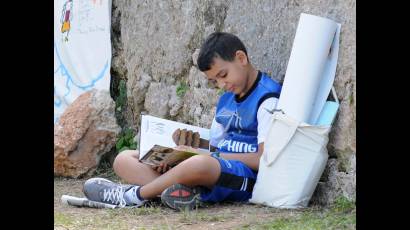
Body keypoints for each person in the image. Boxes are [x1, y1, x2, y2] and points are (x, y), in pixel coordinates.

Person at [82, 32, 282, 210]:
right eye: (214, 81)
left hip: (242, 177)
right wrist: (182, 152)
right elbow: (214, 146)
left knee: (200, 164)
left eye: (223, 75)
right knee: (124, 158)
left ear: (241, 58)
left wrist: (212, 156)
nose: (221, 84)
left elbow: (262, 158)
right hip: (212, 166)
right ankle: (183, 194)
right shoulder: (226, 100)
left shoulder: (267, 98)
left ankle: (135, 195)